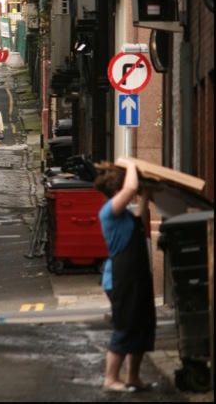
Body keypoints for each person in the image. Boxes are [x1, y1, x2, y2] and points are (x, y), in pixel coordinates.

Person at [94, 157, 156, 393]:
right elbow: (130, 188)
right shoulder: (109, 212)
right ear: (117, 189)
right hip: (120, 280)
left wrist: (147, 193)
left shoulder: (126, 216)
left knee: (141, 326)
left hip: (136, 277)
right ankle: (110, 378)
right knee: (126, 326)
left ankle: (133, 377)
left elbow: (140, 217)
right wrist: (131, 165)